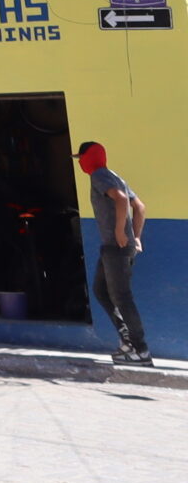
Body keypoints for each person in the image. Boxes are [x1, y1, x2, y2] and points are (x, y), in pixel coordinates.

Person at [78, 141, 150, 362]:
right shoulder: (113, 175)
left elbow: (121, 200)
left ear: (87, 158)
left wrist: (121, 231)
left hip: (116, 247)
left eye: (80, 158)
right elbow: (139, 207)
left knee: (121, 297)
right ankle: (128, 341)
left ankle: (140, 350)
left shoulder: (100, 176)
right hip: (115, 247)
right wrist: (135, 237)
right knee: (101, 290)